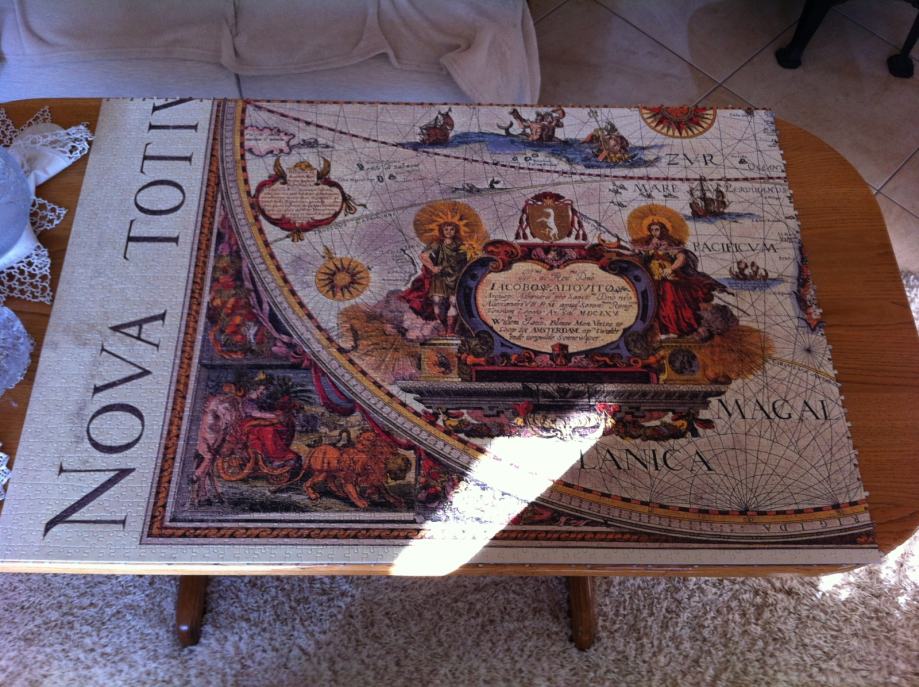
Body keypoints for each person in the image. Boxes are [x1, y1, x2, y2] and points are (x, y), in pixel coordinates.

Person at [634, 219, 725, 338]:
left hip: (668, 278)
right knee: (654, 303)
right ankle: (662, 331)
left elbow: (681, 258)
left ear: (663, 230)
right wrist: (646, 251)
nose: (654, 232)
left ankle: (676, 328)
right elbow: (643, 257)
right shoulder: (649, 243)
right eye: (652, 230)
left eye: (657, 229)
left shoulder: (668, 244)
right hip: (653, 278)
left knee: (671, 301)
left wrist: (671, 269)